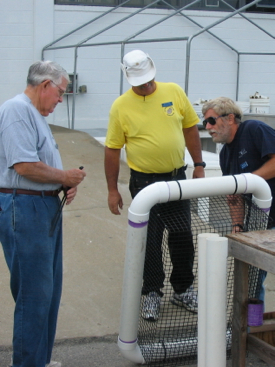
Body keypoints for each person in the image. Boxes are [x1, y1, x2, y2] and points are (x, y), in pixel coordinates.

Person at [104, 49, 205, 321]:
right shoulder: (120, 106)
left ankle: (183, 289)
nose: (146, 85)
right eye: (140, 82)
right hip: (144, 184)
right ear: (129, 79)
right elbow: (112, 150)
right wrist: (112, 189)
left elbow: (190, 128)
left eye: (148, 80)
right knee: (150, 240)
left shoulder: (173, 91)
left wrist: (199, 164)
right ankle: (151, 293)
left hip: (176, 179)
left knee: (183, 234)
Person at [0, 61, 86, 367]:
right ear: (45, 85)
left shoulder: (33, 114)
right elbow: (23, 166)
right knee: (34, 297)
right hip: (25, 208)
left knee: (47, 292)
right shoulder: (17, 110)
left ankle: (39, 361)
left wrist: (62, 183)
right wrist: (63, 177)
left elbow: (36, 166)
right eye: (61, 92)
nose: (61, 100)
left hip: (41, 206)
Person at [202, 96, 275, 302]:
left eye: (211, 121)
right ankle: (251, 328)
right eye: (205, 122)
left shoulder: (254, 129)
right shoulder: (225, 154)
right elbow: (233, 194)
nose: (208, 127)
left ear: (230, 118)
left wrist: (249, 180)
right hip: (258, 226)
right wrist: (237, 225)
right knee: (251, 285)